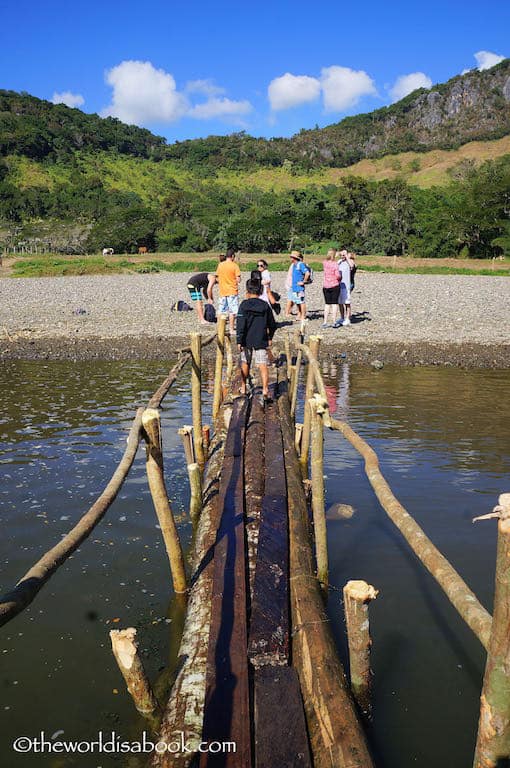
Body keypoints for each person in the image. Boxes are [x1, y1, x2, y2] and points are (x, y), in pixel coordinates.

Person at [237, 278, 276, 404]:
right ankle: (265, 389)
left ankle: (243, 387)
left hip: (246, 338)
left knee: (245, 362)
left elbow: (240, 323)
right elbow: (272, 324)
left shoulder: (243, 305)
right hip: (260, 338)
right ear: (260, 290)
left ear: (247, 290)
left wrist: (239, 340)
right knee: (262, 364)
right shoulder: (265, 306)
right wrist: (270, 337)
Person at [215, 247, 241, 333]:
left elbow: (217, 278)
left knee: (221, 310)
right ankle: (231, 328)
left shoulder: (220, 265)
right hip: (232, 290)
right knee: (232, 311)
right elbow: (238, 279)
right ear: (233, 256)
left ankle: (220, 328)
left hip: (222, 291)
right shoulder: (235, 265)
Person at [289, 250, 311, 322]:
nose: (290, 258)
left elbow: (307, 273)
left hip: (299, 287)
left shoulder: (300, 264)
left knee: (301, 301)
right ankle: (300, 313)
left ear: (294, 258)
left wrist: (303, 281)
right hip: (294, 287)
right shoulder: (294, 265)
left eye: (291, 257)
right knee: (297, 301)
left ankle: (303, 316)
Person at [336, 249, 355, 327]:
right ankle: (342, 317)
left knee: (347, 303)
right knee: (340, 303)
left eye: (344, 255)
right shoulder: (339, 262)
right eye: (341, 255)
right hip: (339, 285)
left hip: (346, 286)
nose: (342, 256)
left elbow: (352, 265)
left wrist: (347, 256)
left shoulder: (349, 261)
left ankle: (347, 318)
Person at [321, 248, 340, 328]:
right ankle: (334, 321)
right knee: (334, 304)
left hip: (326, 285)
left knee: (327, 304)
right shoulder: (335, 264)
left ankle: (325, 321)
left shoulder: (324, 263)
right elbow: (338, 275)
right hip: (334, 285)